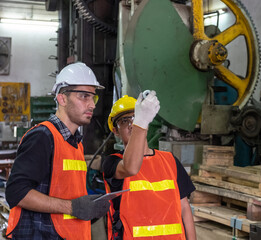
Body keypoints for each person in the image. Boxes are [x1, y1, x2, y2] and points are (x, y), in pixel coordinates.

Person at [5, 62, 110, 240]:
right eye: (84, 96)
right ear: (62, 98)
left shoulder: (75, 143)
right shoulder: (43, 137)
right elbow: (16, 192)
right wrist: (72, 207)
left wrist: (88, 207)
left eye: (94, 97)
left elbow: (66, 192)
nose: (92, 104)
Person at [102, 92, 197, 240]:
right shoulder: (112, 163)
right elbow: (130, 167)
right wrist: (140, 123)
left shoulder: (170, 160)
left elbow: (184, 208)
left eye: (136, 117)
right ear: (116, 131)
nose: (132, 124)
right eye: (125, 121)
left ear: (147, 119)